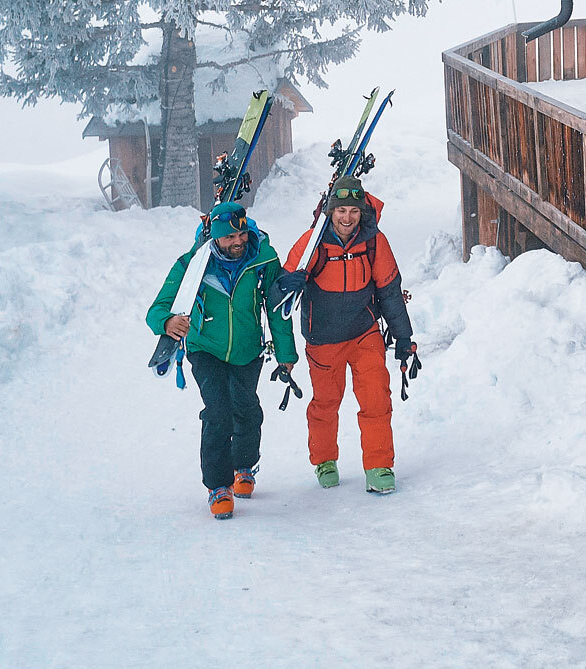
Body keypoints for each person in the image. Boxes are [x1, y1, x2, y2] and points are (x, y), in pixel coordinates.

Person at [145, 201, 296, 519]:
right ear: (214, 238)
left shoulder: (263, 259)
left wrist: (285, 354)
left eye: (242, 234)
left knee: (247, 410)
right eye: (230, 238)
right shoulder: (193, 265)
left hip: (247, 349)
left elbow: (277, 309)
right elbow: (157, 309)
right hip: (205, 348)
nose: (238, 241)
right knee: (218, 412)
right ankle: (218, 486)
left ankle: (243, 465)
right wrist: (168, 322)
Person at [279, 174, 415, 494]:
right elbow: (279, 291)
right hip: (323, 338)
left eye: (353, 211)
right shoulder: (312, 242)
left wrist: (404, 338)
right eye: (341, 211)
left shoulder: (373, 240)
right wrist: (289, 284)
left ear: (361, 212)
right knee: (326, 404)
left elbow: (390, 292)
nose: (347, 218)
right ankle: (324, 459)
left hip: (363, 332)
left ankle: (379, 465)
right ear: (331, 211)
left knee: (375, 397)